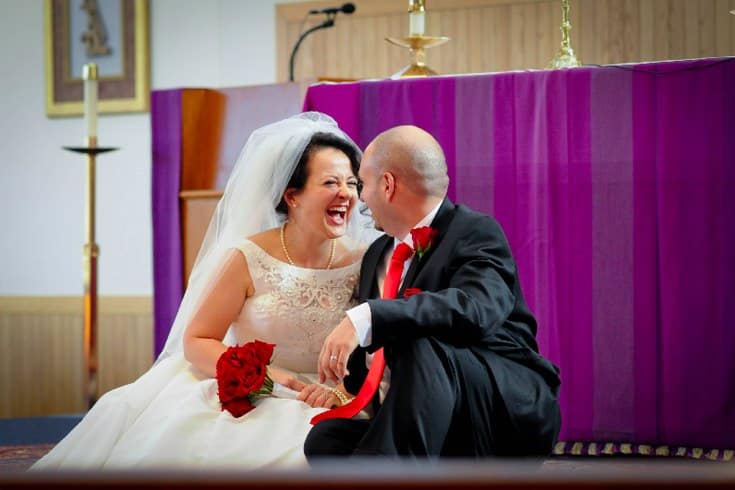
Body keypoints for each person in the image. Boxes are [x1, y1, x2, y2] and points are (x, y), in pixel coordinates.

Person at [32, 112, 378, 470]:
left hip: (336, 396)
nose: (346, 194)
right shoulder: (249, 256)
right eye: (330, 183)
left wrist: (345, 392)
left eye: (352, 183)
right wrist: (272, 378)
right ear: (292, 196)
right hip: (257, 392)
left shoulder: (367, 259)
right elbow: (197, 339)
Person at [304, 125, 561, 458]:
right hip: (414, 414)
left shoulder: (475, 231)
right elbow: (376, 363)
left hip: (492, 409)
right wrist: (338, 386)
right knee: (326, 442)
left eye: (362, 185)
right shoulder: (376, 255)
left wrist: (368, 315)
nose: (360, 198)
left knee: (422, 341)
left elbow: (477, 308)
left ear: (387, 184)